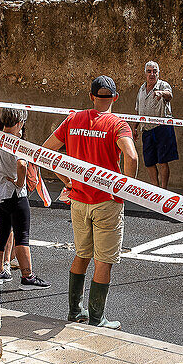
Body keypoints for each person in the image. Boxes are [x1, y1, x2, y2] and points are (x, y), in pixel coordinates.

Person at [42, 76, 138, 328]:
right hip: (107, 200)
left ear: (91, 96)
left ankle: (75, 311)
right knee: (103, 260)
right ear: (115, 98)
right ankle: (97, 318)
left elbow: (46, 151)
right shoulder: (118, 124)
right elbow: (131, 156)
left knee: (81, 254)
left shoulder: (73, 120)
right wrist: (126, 188)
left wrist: (66, 180)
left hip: (79, 200)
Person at [0, 107, 50, 290]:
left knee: (2, 233)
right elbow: (21, 164)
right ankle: (27, 276)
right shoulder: (16, 142)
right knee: (22, 236)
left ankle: (0, 270)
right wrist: (20, 184)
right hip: (14, 194)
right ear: (19, 123)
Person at [135, 61, 177, 189]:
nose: (152, 74)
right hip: (146, 129)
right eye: (149, 71)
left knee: (162, 161)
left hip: (162, 128)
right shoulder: (141, 89)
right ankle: (155, 188)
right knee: (149, 162)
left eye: (154, 71)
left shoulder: (163, 85)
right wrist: (135, 127)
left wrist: (161, 93)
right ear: (145, 74)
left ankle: (163, 189)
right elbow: (138, 110)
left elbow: (169, 95)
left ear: (158, 73)